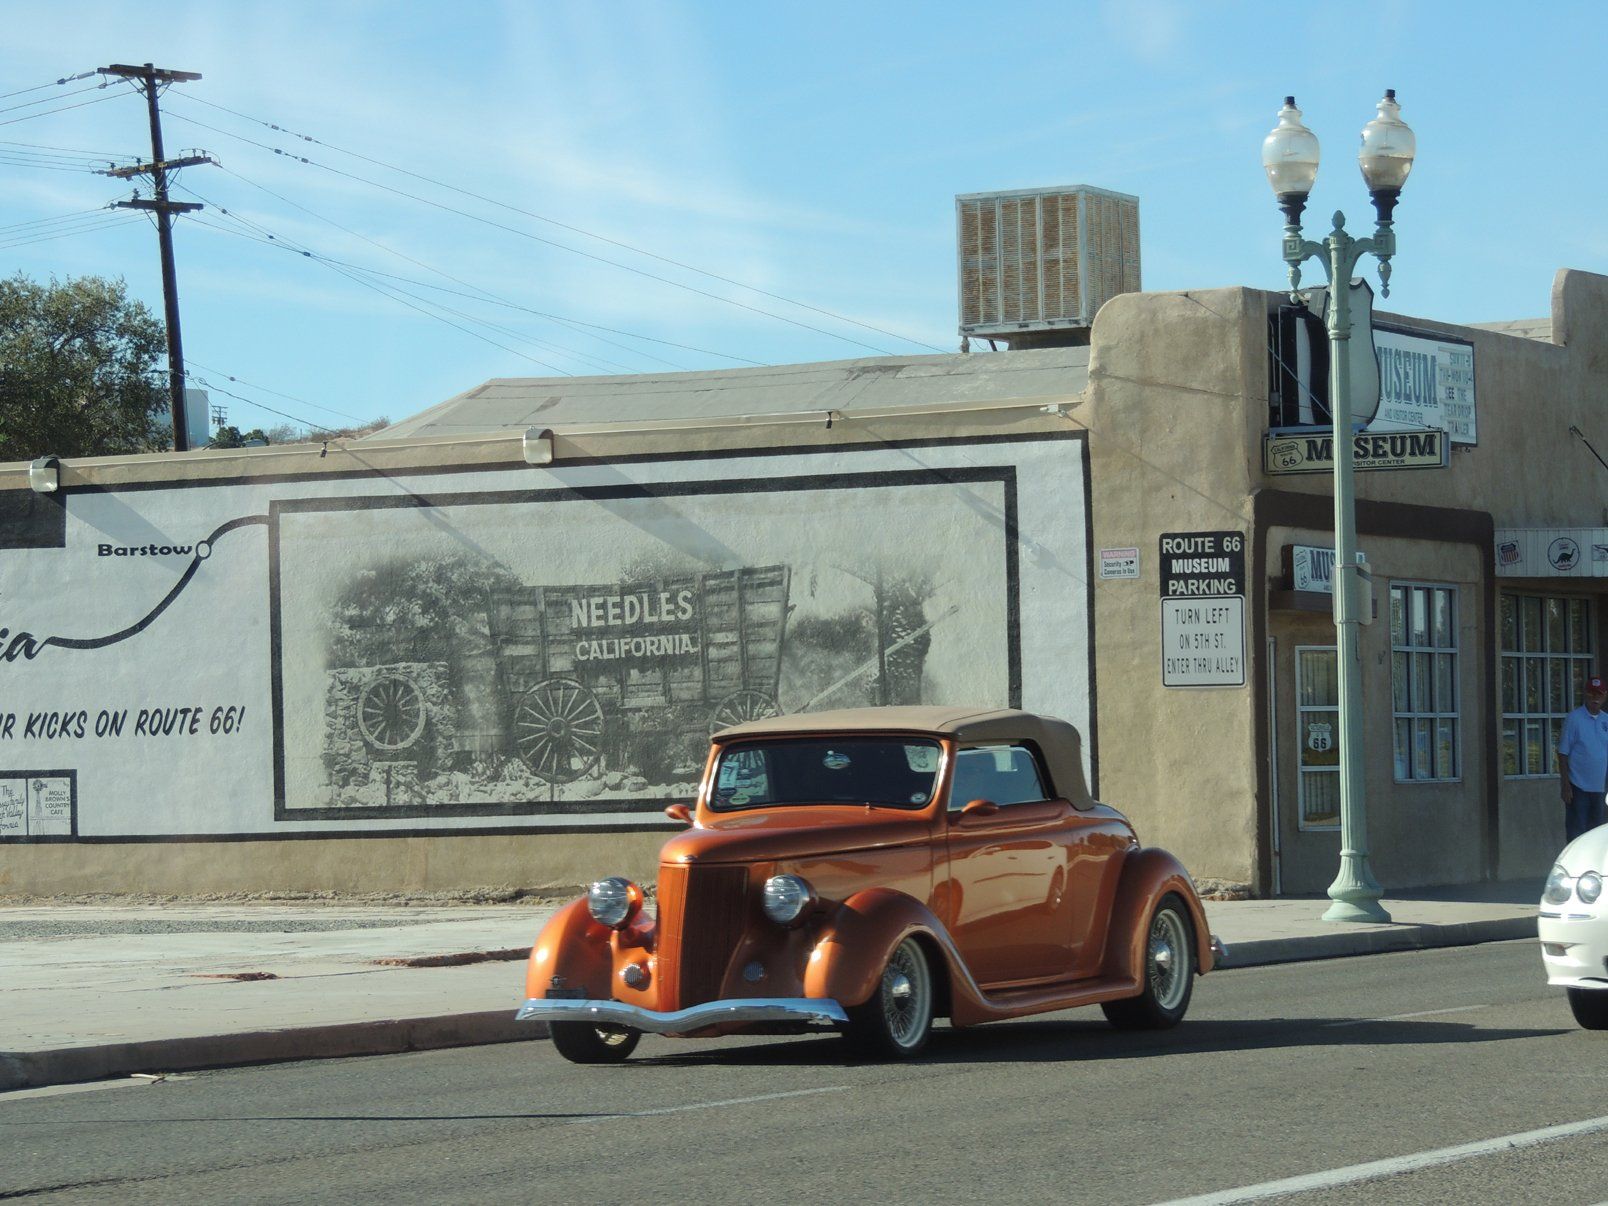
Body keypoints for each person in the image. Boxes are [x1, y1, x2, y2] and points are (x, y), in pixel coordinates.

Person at [1558, 674, 1608, 842]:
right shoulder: (1574, 718)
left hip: (1600, 789)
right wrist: (1565, 785)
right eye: (1592, 693)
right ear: (1586, 694)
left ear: (1605, 696)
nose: (1595, 698)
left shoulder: (1606, 721)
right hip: (1578, 788)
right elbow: (1563, 753)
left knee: (1597, 836)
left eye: (1599, 694)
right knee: (1577, 835)